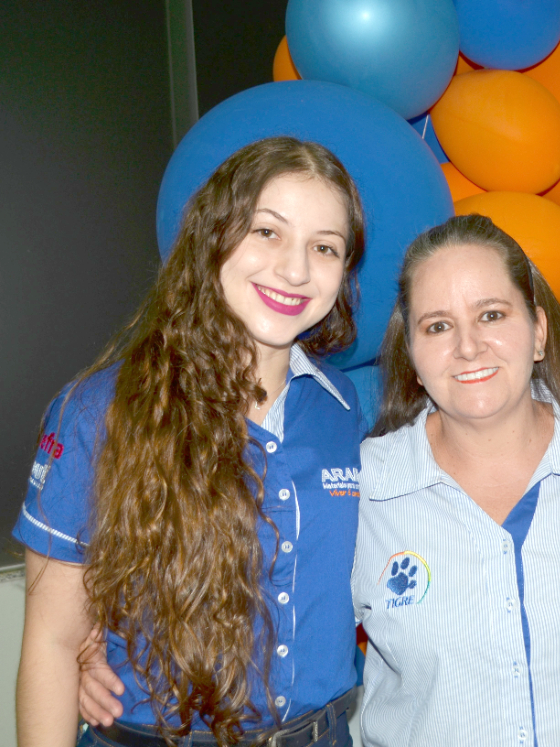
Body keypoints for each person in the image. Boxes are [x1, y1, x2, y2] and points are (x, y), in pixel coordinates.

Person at [15, 136, 366, 747]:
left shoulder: (343, 409)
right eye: (267, 232)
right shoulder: (102, 409)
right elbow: (52, 641)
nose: (295, 269)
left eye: (325, 248)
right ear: (213, 236)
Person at [350, 214, 560, 746]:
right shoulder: (363, 490)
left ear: (539, 331)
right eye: (437, 326)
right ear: (410, 352)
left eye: (492, 315)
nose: (469, 346)